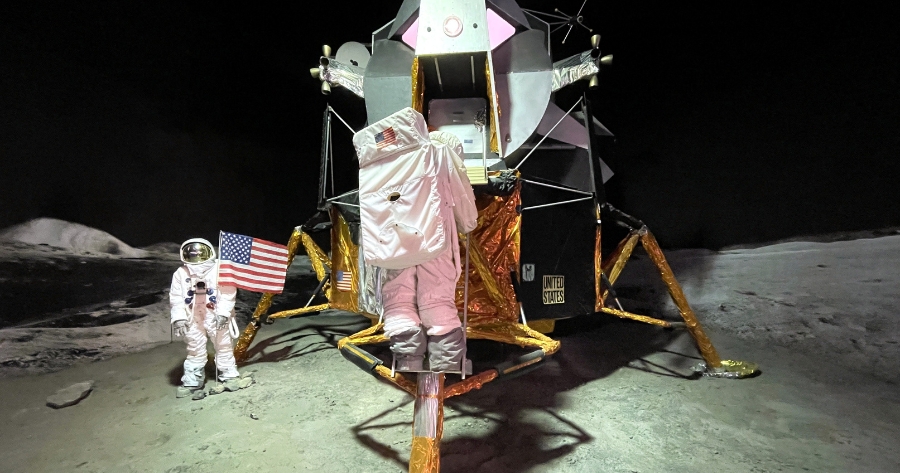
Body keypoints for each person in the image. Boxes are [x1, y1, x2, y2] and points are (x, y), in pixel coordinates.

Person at [354, 108, 478, 373]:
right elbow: (462, 200)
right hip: (432, 240)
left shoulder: (382, 161)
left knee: (398, 298)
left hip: (393, 243)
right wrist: (467, 223)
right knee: (435, 298)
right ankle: (446, 364)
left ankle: (407, 361)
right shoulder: (442, 152)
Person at [169, 238, 252, 398]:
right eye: (192, 253)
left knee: (223, 345)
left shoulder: (221, 270)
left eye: (200, 253)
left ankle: (229, 375)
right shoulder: (181, 273)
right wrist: (179, 318)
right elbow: (176, 297)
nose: (196, 256)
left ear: (210, 253)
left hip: (215, 315)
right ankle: (193, 380)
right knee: (194, 347)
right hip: (192, 316)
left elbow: (228, 293)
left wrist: (223, 313)